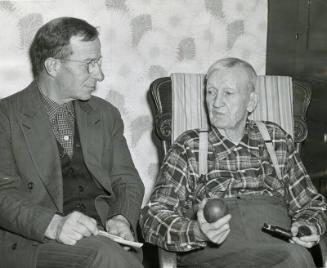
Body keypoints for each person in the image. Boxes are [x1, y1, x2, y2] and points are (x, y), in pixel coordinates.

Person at [140, 57, 327, 268]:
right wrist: (197, 231)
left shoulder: (276, 139)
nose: (216, 102)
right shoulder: (189, 146)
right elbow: (152, 217)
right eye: (211, 92)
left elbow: (312, 204)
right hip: (214, 255)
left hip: (277, 247)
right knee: (295, 258)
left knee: (294, 256)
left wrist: (307, 226)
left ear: (251, 102)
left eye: (228, 93)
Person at [0, 17, 144, 268]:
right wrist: (54, 225)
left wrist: (121, 217)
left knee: (108, 252)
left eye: (99, 62)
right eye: (89, 64)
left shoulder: (105, 114)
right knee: (105, 255)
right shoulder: (6, 116)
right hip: (37, 243)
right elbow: (2, 194)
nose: (100, 74)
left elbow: (126, 179)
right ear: (53, 66)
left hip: (102, 237)